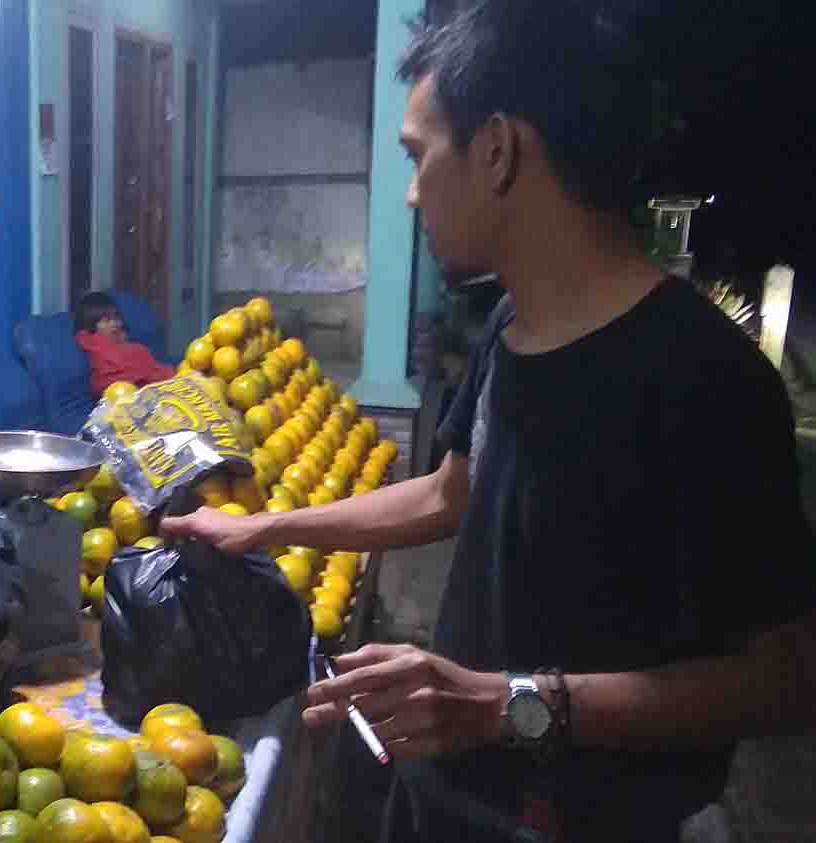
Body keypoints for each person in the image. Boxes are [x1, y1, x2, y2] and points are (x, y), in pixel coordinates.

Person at [162, 3, 816, 841]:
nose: (408, 190)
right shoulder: (513, 323)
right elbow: (447, 494)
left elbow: (786, 677)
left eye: (416, 155)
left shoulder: (703, 382)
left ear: (497, 150)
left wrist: (505, 704)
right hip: (449, 791)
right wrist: (264, 527)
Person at [74, 291, 174, 394]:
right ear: (91, 325)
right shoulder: (91, 341)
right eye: (107, 320)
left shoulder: (122, 339)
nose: (115, 324)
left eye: (116, 318)